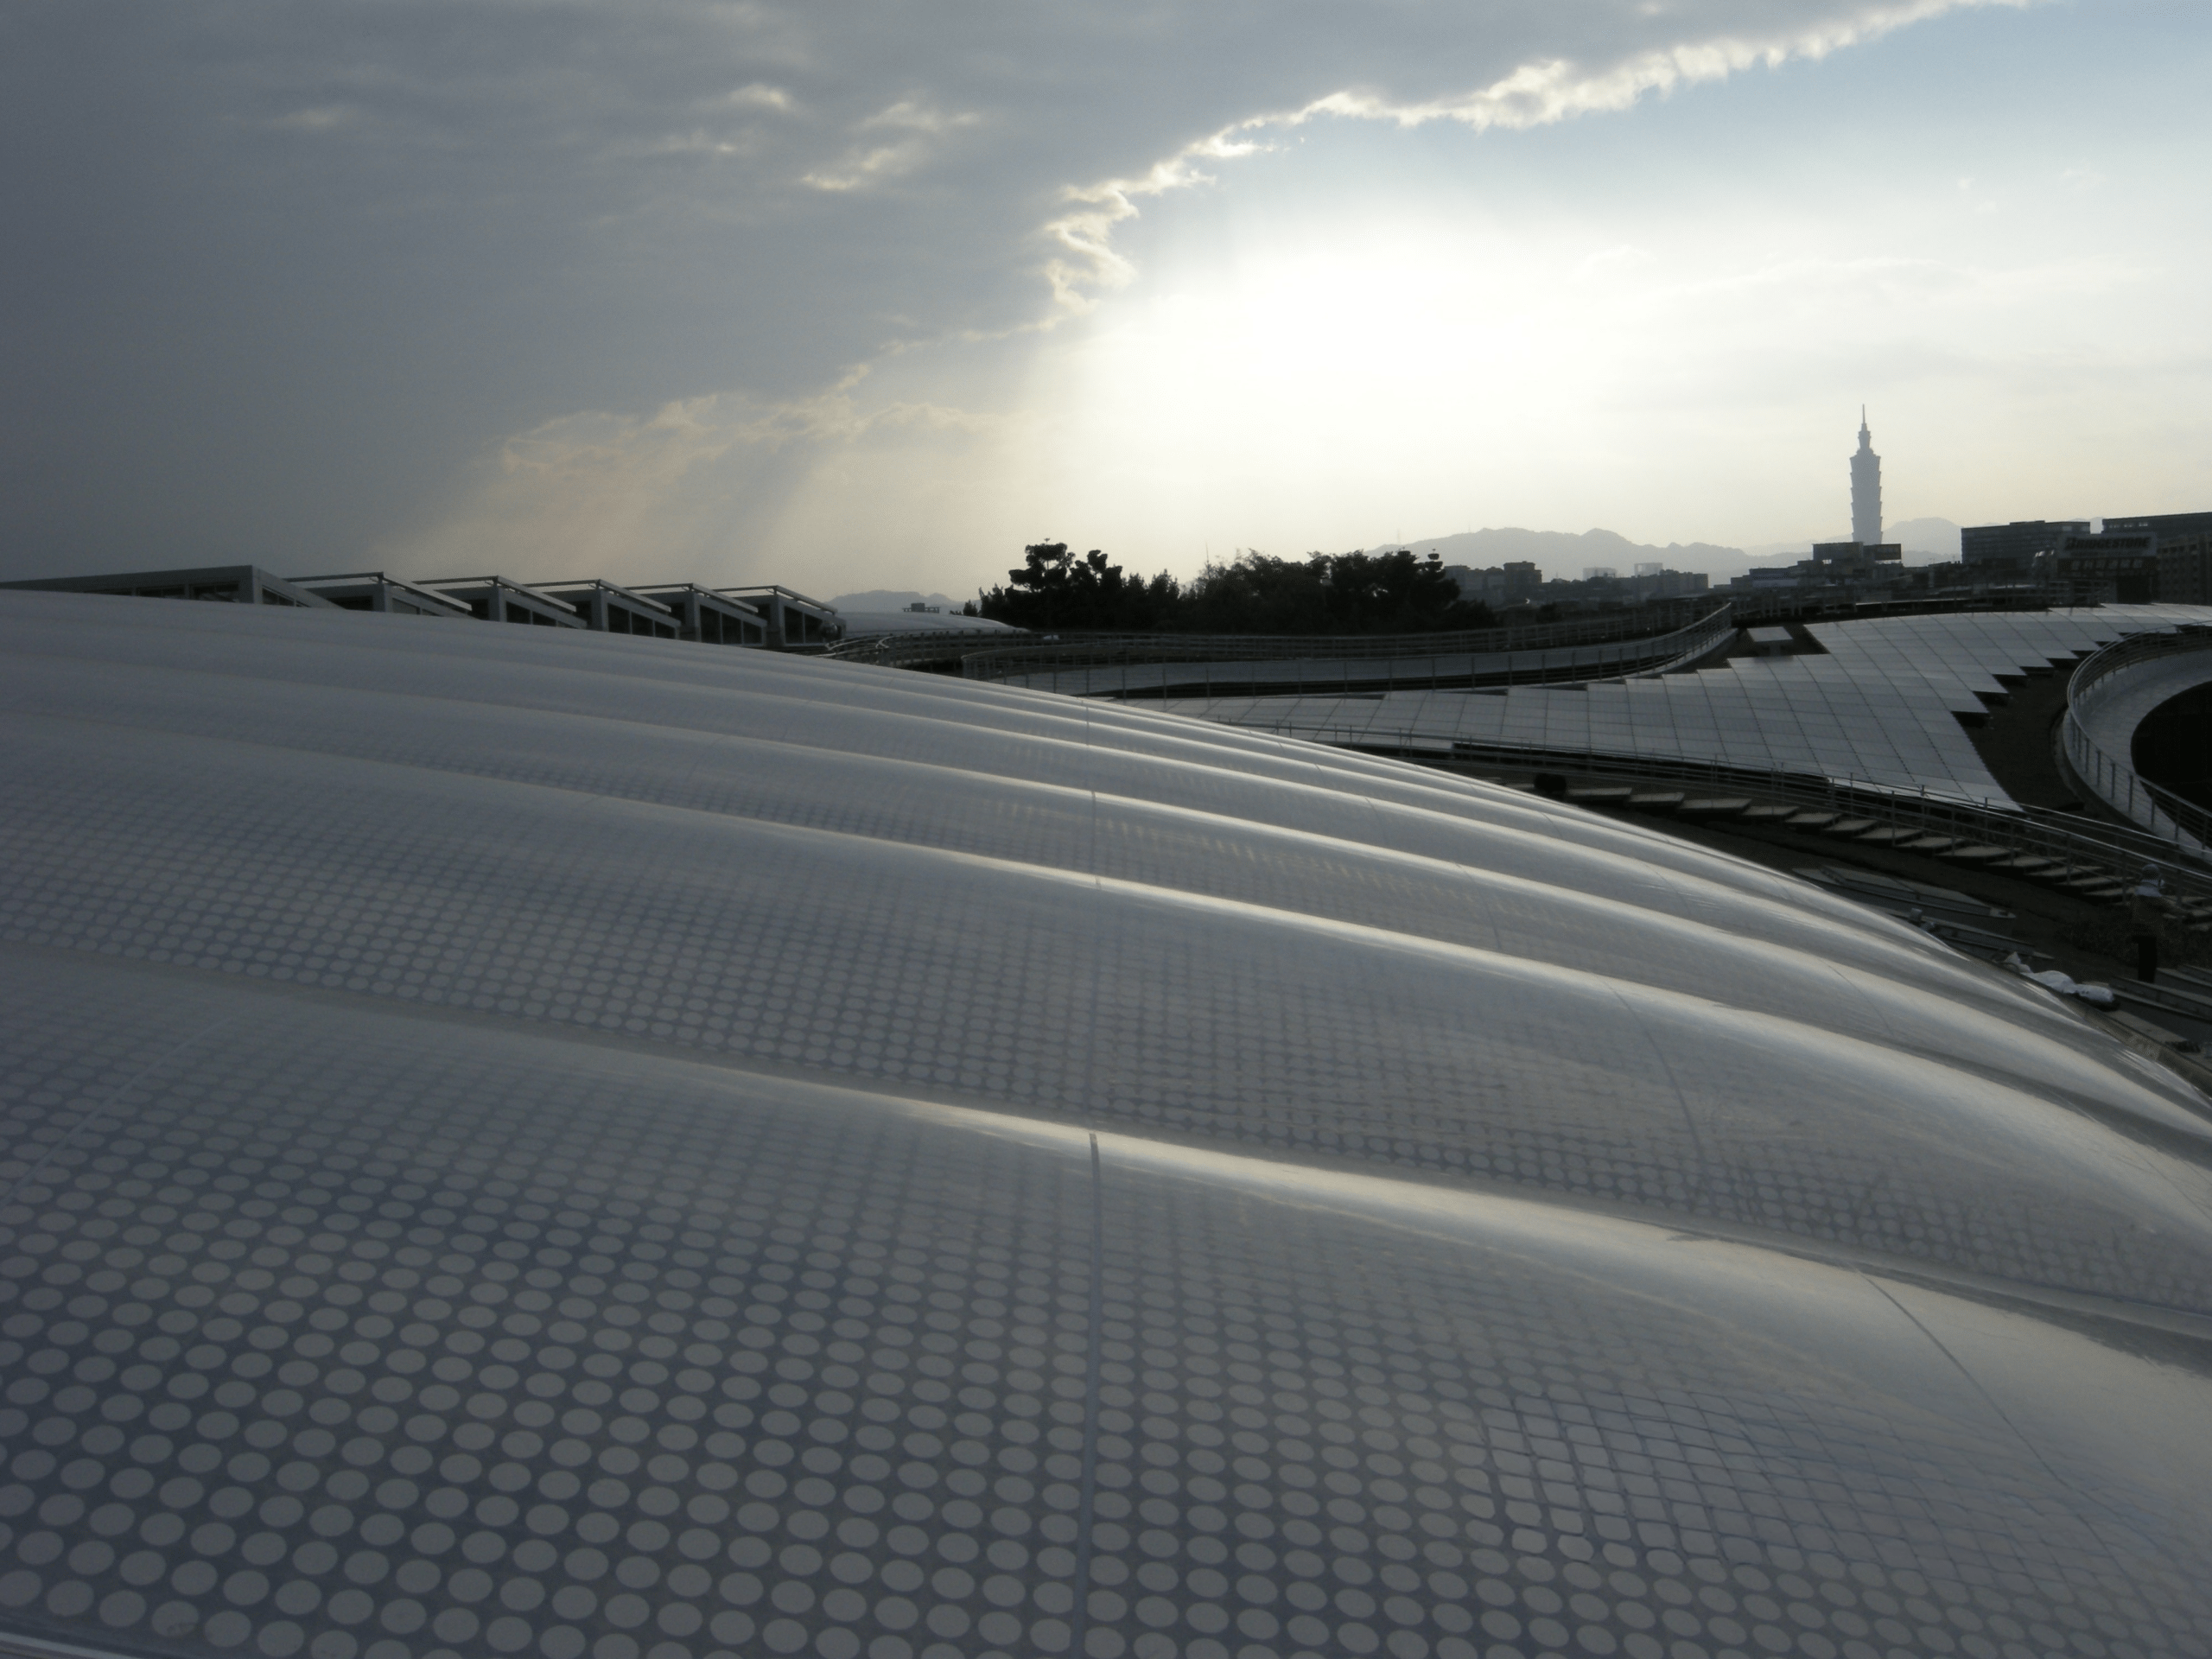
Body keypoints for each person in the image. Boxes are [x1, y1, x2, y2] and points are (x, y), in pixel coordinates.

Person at [2129, 866, 2167, 982]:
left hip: (2138, 928)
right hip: (2150, 931)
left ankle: (2142, 980)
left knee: (2144, 957)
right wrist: (2187, 913)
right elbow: (2168, 907)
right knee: (2150, 959)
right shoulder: (2153, 896)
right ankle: (2147, 982)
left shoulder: (2137, 893)